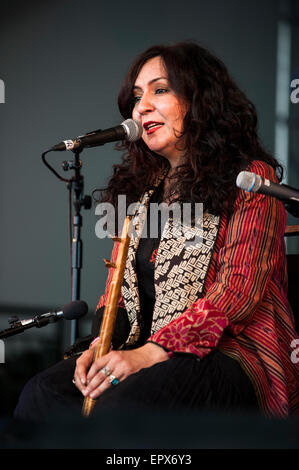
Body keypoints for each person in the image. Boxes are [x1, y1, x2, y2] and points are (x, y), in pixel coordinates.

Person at [14, 41, 299, 421]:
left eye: (160, 90)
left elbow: (238, 291)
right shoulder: (138, 195)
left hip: (228, 354)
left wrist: (148, 354)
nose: (141, 106)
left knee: (127, 406)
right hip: (138, 351)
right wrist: (98, 350)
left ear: (201, 100)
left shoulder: (250, 179)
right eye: (136, 97)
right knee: (43, 395)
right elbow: (114, 298)